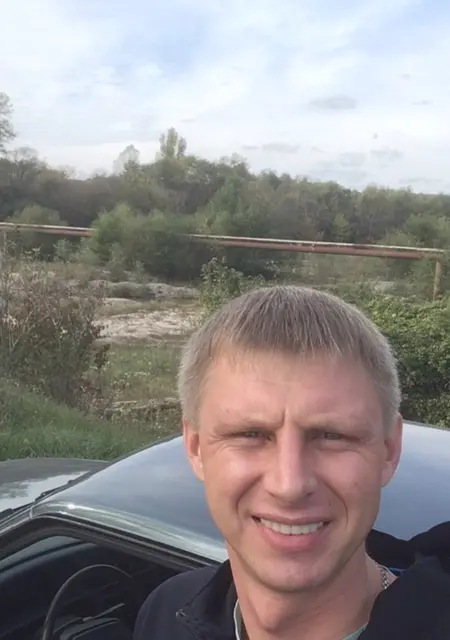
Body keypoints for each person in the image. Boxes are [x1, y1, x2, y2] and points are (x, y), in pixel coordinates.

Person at [133, 285, 450, 640]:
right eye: (250, 434)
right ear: (194, 448)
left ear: (389, 450)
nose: (289, 485)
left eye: (331, 436)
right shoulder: (167, 613)